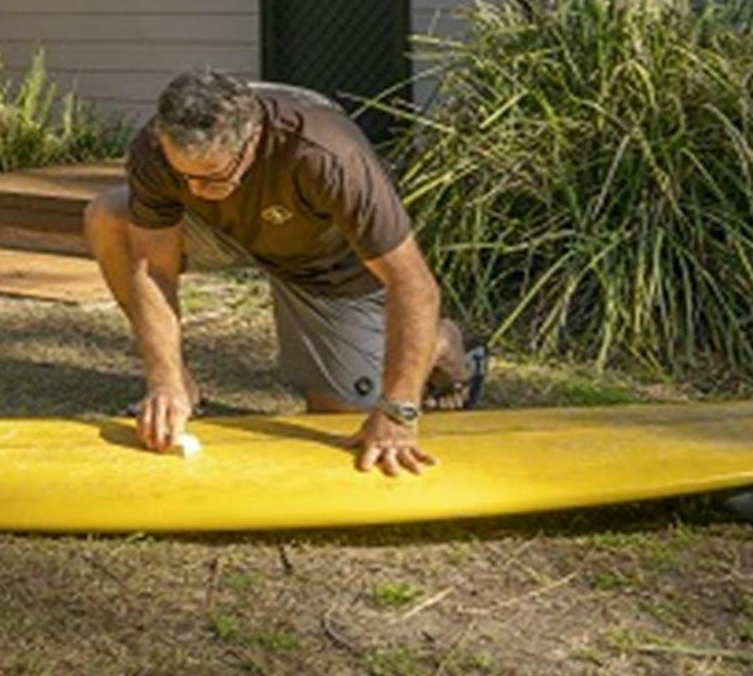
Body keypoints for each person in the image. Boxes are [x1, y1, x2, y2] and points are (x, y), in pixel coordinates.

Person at [84, 70, 487, 476]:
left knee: (339, 415)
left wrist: (399, 413)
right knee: (108, 216)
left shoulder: (327, 156)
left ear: (252, 139)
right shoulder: (157, 147)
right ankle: (184, 390)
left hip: (326, 265)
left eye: (212, 177)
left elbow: (412, 284)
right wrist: (165, 380)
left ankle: (441, 343)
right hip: (230, 231)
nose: (195, 189)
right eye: (184, 177)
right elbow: (154, 267)